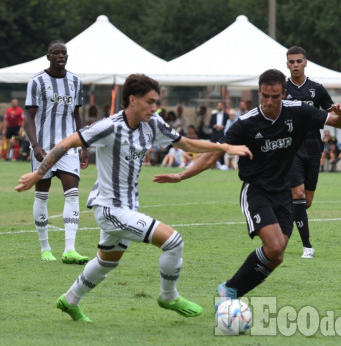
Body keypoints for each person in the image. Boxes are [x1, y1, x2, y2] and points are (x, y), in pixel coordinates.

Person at [16, 73, 252, 322]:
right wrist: (37, 174)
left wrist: (224, 147)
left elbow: (185, 143)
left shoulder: (154, 123)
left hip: (128, 206)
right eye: (150, 101)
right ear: (132, 100)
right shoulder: (109, 126)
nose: (155, 107)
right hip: (109, 209)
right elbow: (66, 143)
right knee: (173, 241)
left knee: (107, 262)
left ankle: (69, 300)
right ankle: (168, 296)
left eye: (156, 102)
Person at [153, 69, 341, 305]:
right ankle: (229, 291)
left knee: (277, 256)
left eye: (275, 96)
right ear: (259, 92)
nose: (269, 101)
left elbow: (339, 122)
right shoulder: (246, 123)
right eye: (264, 95)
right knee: (274, 245)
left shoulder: (298, 112)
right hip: (256, 191)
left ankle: (230, 290)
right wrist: (182, 176)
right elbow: (214, 153)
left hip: (283, 192)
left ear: (283, 94)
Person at [23, 40, 90, 264]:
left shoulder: (76, 82)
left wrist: (83, 145)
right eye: (56, 53)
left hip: (68, 147)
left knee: (72, 193)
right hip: (43, 148)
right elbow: (29, 117)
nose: (61, 56)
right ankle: (45, 248)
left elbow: (77, 116)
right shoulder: (37, 82)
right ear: (48, 56)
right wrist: (35, 145)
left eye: (64, 53)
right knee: (42, 195)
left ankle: (69, 249)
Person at [283, 46, 335, 258]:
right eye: (291, 61)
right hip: (290, 149)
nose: (295, 65)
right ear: (287, 64)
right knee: (299, 194)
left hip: (313, 148)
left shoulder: (317, 89)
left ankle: (282, 210)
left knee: (306, 201)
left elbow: (334, 116)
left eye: (298, 61)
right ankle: (307, 246)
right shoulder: (281, 89)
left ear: (305, 63)